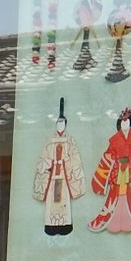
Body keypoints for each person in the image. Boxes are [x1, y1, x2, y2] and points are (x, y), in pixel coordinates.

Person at [32, 97, 86, 236]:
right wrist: (49, 163)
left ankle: (65, 225)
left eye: (62, 122)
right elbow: (43, 157)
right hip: (52, 175)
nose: (60, 125)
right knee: (51, 200)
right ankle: (50, 225)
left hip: (64, 174)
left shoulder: (70, 140)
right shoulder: (50, 141)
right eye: (58, 122)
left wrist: (66, 162)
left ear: (65, 124)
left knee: (64, 200)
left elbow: (75, 158)